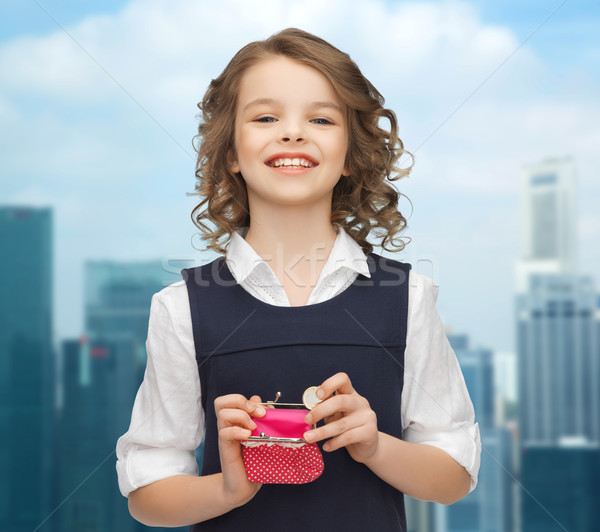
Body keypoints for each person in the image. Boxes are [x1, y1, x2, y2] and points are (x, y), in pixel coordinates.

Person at [116, 28, 481, 531]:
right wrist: (225, 489)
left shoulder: (408, 298)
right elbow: (147, 495)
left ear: (352, 153)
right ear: (230, 153)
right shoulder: (182, 308)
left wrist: (374, 445)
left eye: (321, 119)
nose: (292, 133)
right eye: (266, 117)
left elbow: (454, 476)